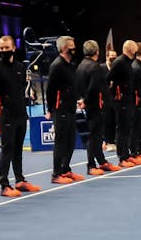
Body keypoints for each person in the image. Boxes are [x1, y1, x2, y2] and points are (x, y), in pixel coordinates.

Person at [0, 35, 42, 195]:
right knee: (7, 150)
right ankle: (4, 184)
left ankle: (20, 180)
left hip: (21, 114)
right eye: (1, 48)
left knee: (18, 149)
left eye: (7, 47)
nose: (4, 50)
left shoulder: (20, 67)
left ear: (13, 48)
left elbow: (22, 87)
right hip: (6, 116)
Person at [47, 36, 82, 183]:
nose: (74, 48)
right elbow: (50, 90)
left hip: (70, 107)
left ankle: (65, 169)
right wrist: (50, 109)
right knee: (61, 141)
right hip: (59, 108)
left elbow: (72, 86)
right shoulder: (57, 66)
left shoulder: (70, 64)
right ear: (63, 48)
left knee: (70, 140)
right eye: (71, 46)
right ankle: (56, 174)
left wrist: (78, 99)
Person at [76, 39, 109, 174]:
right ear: (97, 51)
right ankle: (91, 165)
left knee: (95, 135)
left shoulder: (80, 66)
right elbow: (94, 88)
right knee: (94, 136)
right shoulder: (96, 67)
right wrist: (87, 100)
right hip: (95, 105)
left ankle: (101, 161)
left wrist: (81, 99)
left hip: (86, 103)